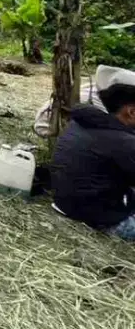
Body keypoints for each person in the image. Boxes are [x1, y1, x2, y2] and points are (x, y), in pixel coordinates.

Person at [51, 66, 135, 240]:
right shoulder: (124, 142)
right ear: (131, 112)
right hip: (100, 218)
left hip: (66, 203)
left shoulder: (84, 122)